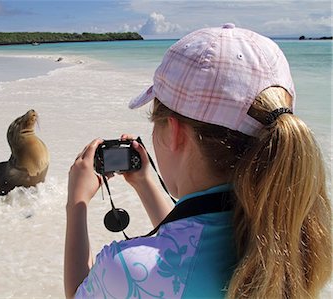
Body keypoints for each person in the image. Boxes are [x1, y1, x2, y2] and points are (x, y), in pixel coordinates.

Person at [64, 24, 332, 298]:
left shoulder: (128, 269)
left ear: (175, 132)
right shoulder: (292, 237)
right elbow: (191, 239)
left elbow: (78, 293)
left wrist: (77, 202)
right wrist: (145, 184)